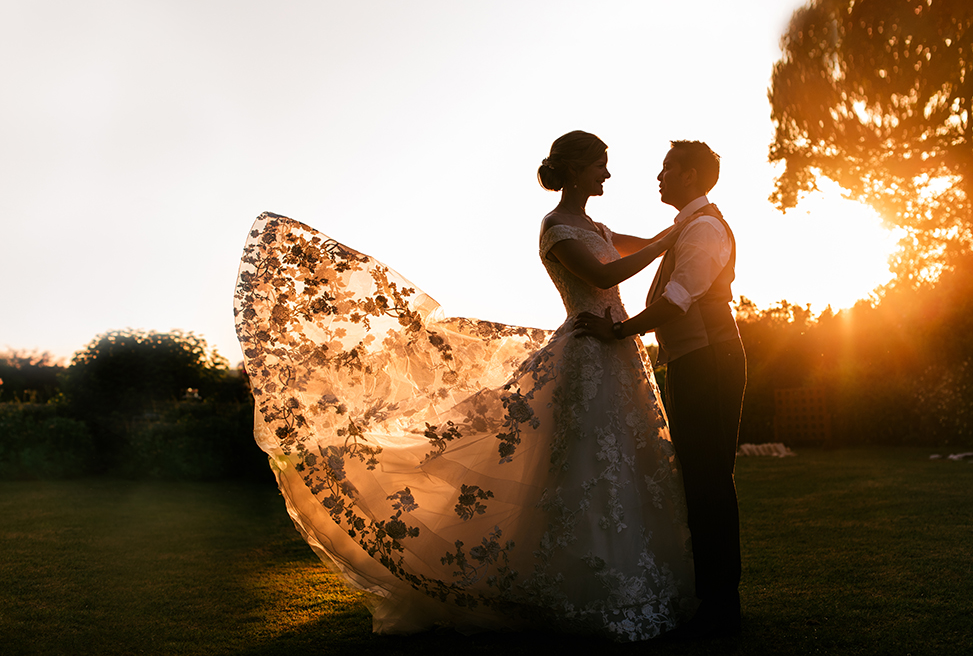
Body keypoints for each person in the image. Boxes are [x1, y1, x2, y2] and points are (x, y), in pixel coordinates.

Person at [233, 130, 698, 641]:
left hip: (619, 354)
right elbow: (608, 270)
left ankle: (635, 581)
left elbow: (635, 247)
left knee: (627, 465)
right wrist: (670, 239)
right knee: (587, 468)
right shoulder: (556, 228)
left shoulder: (595, 225)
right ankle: (583, 588)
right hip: (587, 357)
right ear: (576, 168)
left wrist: (680, 227)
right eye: (600, 166)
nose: (607, 175)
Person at [576, 140, 746, 638]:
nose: (659, 177)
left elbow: (677, 300)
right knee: (698, 478)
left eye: (667, 168)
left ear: (690, 175)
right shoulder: (684, 228)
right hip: (694, 360)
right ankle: (712, 600)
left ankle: (722, 608)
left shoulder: (706, 228)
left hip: (711, 359)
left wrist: (619, 331)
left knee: (710, 480)